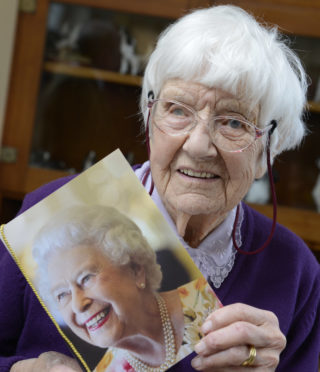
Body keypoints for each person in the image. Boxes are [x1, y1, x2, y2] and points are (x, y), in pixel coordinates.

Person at [0, 4, 319, 372]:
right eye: (178, 110)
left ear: (269, 151)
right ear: (150, 119)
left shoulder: (295, 271)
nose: (198, 146)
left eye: (233, 121)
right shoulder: (50, 213)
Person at [31, 205, 219, 371]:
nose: (78, 305)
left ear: (135, 269)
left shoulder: (214, 301)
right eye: (62, 294)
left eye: (86, 278)